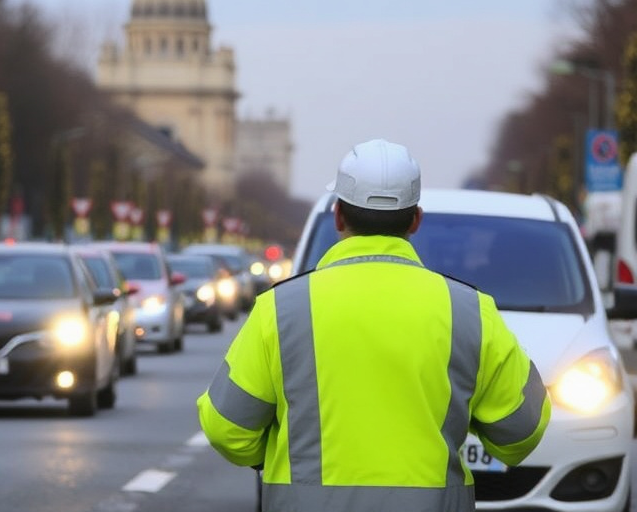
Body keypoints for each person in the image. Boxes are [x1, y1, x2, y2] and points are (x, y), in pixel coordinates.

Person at [196, 139, 550, 512]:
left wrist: (279, 455)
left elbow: (226, 427)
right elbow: (521, 430)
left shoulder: (281, 309)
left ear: (338, 216)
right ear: (416, 219)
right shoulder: (469, 311)